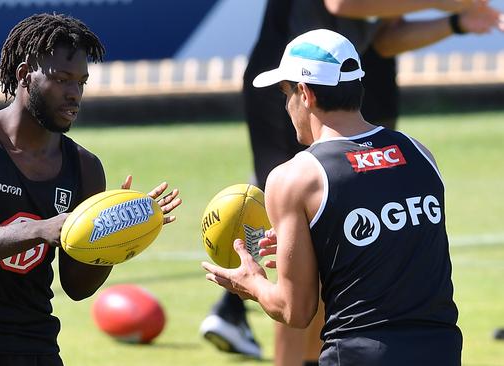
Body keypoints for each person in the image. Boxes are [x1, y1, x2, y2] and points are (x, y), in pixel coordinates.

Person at [200, 0, 504, 363]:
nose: (286, 107)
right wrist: (319, 243)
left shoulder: (296, 177)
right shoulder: (421, 154)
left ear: (306, 94)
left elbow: (296, 312)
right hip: (442, 351)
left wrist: (250, 284)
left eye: (286, 95)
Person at [0, 13, 182, 365]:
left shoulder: (85, 167)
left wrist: (117, 238)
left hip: (37, 347)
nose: (74, 95)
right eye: (62, 79)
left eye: (81, 83)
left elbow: (77, 287)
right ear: (25, 75)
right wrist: (44, 230)